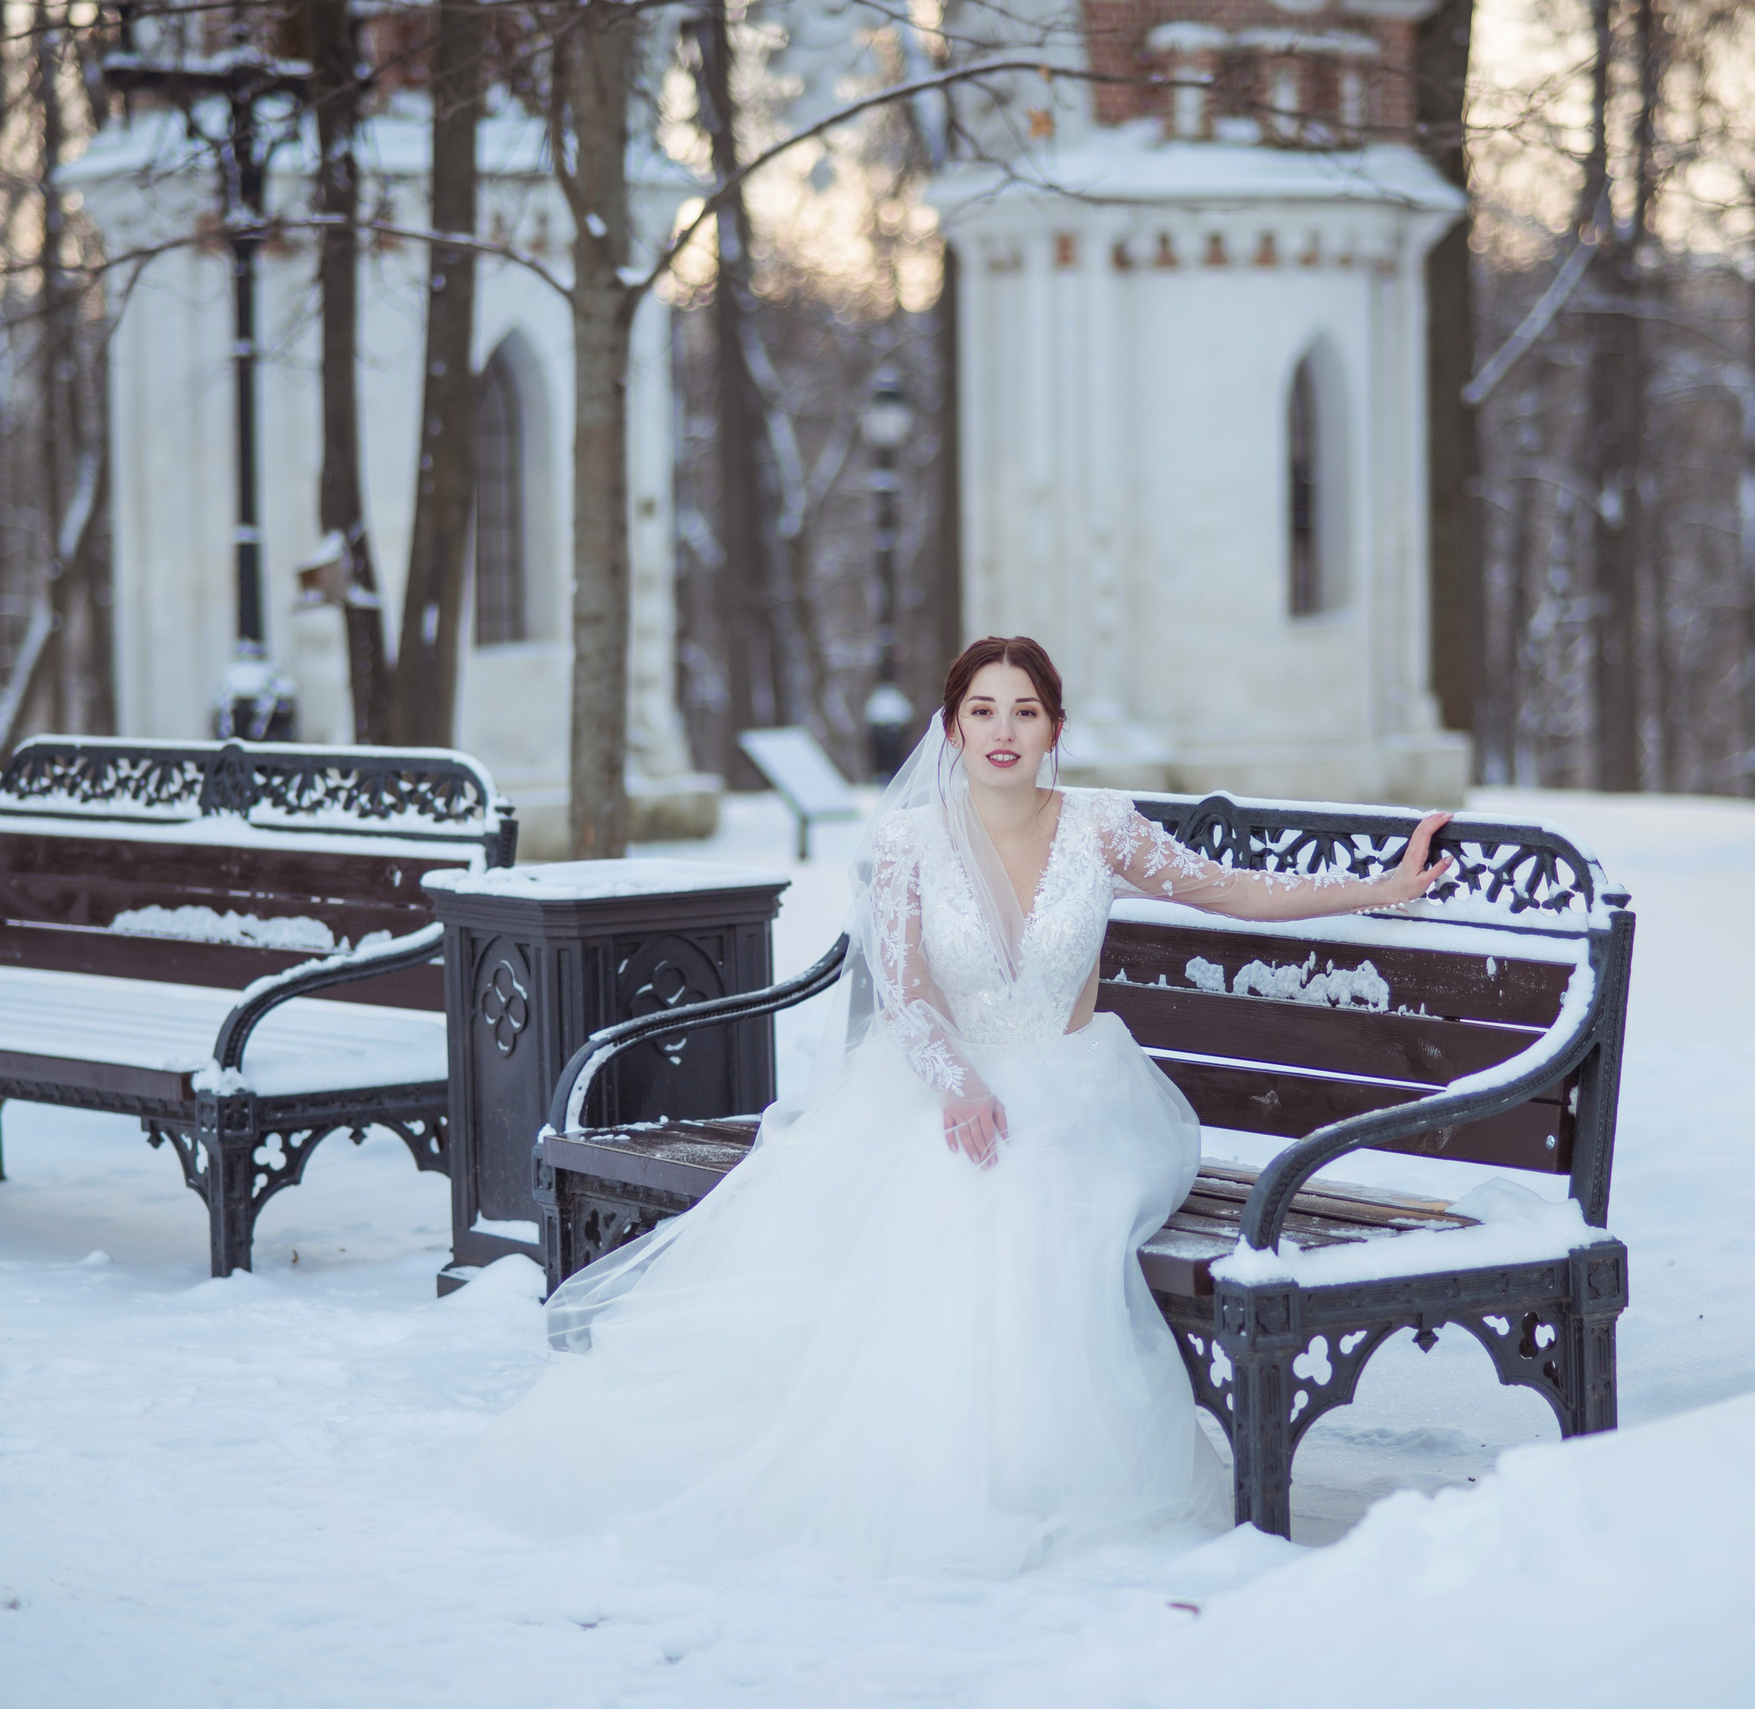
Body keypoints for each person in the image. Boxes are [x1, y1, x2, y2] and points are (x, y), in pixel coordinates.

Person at [467, 636, 1454, 1576]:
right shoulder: (910, 837)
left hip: (1083, 1095)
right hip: (942, 1077)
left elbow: (1233, 893)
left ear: (1053, 728)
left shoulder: (1101, 824)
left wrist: (1387, 886)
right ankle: (918, 1463)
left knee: (1021, 1187)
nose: (1003, 729)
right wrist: (955, 1081)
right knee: (949, 1182)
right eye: (982, 709)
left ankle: (1028, 1467)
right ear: (950, 728)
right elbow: (903, 986)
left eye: (1025, 711)